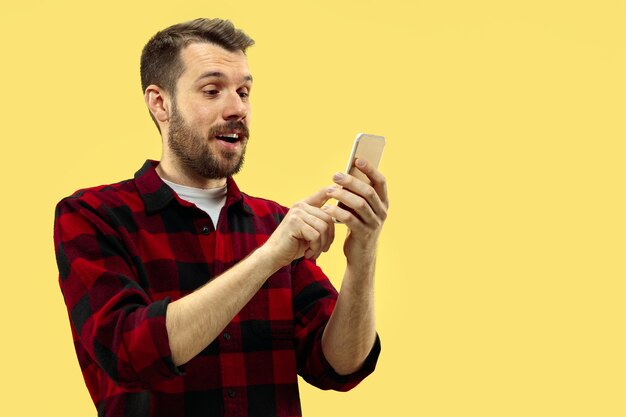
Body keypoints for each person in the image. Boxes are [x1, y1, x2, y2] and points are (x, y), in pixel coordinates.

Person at [54, 18, 388, 417]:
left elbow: (339, 365)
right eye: (212, 91)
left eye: (244, 92)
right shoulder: (93, 216)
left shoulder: (276, 224)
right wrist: (268, 258)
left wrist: (363, 254)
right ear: (160, 103)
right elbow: (131, 354)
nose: (237, 109)